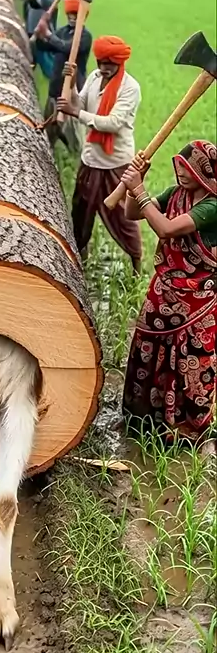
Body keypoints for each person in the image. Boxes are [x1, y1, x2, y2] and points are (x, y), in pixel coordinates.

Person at [121, 141, 216, 452]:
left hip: (196, 298)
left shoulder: (212, 206)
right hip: (164, 290)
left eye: (188, 168)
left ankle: (186, 428)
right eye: (180, 166)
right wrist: (137, 185)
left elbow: (166, 229)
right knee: (148, 347)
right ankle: (144, 420)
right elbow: (132, 212)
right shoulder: (176, 195)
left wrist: (138, 188)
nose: (181, 173)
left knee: (191, 359)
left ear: (205, 173)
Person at [56, 35, 143, 273]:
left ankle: (136, 264)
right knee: (81, 211)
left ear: (120, 63)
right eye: (101, 62)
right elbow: (80, 103)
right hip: (91, 159)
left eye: (110, 64)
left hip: (116, 163)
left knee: (123, 219)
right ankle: (78, 257)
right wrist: (72, 84)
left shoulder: (130, 88)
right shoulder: (94, 78)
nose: (104, 68)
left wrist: (75, 113)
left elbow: (113, 123)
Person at [36, 0, 92, 152]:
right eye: (70, 15)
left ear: (83, 17)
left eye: (76, 15)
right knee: (50, 128)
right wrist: (40, 35)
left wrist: (48, 35)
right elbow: (48, 46)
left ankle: (76, 154)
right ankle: (49, 151)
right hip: (56, 85)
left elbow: (66, 47)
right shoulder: (63, 31)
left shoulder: (85, 36)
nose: (72, 18)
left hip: (73, 88)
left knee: (73, 132)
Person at [24, 0, 57, 79]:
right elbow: (30, 2)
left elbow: (45, 3)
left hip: (44, 33)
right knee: (31, 58)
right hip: (31, 31)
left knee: (46, 60)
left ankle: (55, 78)